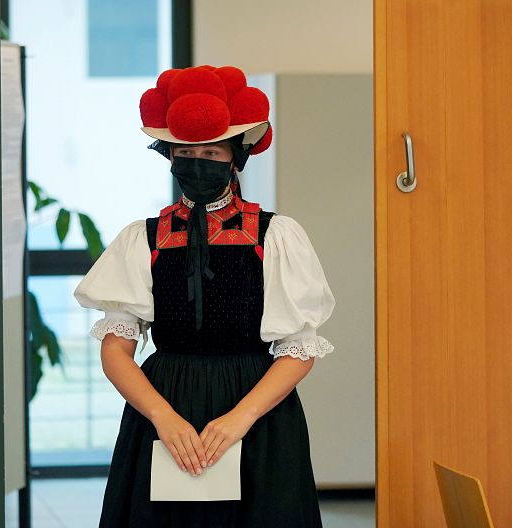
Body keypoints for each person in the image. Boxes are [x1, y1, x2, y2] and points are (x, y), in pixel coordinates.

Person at [74, 65, 335, 527]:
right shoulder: (143, 238)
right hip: (163, 409)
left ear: (235, 157)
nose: (197, 162)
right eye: (185, 152)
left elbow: (298, 348)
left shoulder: (275, 235)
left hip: (258, 413)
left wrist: (238, 420)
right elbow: (116, 349)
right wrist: (163, 418)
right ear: (170, 156)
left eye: (210, 151)